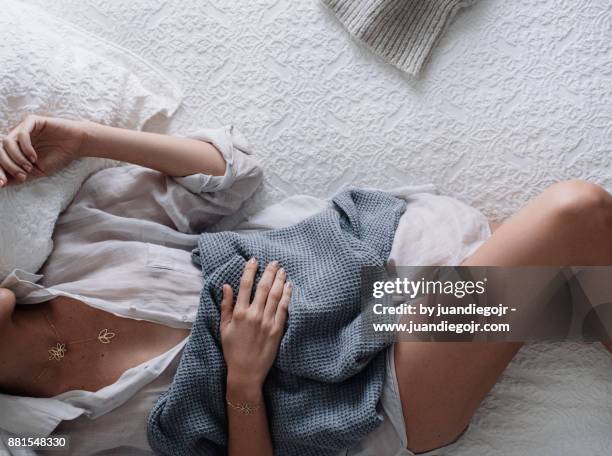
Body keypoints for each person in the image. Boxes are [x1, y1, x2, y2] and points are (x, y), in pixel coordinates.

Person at [0, 116, 610, 456]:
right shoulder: (44, 436)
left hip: (358, 268)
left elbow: (229, 173)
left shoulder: (81, 244)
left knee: (570, 270)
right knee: (575, 214)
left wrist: (86, 140)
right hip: (377, 395)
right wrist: (243, 377)